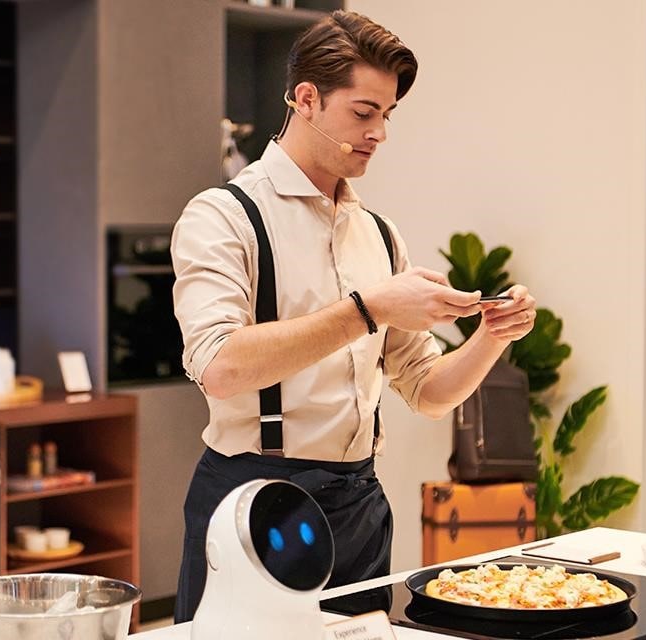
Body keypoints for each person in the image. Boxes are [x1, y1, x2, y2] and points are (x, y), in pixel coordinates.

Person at [170, 9, 536, 622]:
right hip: (254, 502)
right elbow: (220, 367)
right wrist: (369, 309)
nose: (379, 133)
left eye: (387, 115)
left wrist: (489, 337)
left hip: (360, 506)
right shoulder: (224, 215)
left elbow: (426, 390)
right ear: (306, 99)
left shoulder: (380, 234)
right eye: (364, 113)